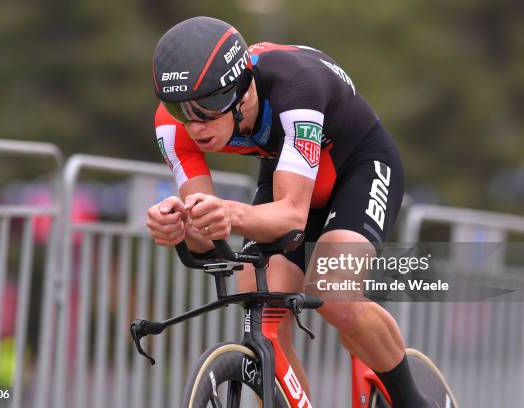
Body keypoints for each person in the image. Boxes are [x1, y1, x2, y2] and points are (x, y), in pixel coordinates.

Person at [146, 16, 437, 408]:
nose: (195, 125)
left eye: (210, 106)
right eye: (181, 109)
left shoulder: (296, 87)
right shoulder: (171, 128)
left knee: (332, 289)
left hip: (359, 165)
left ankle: (414, 402)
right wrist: (179, 225)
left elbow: (291, 217)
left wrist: (228, 213)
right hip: (289, 172)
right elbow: (207, 237)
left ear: (244, 89)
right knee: (258, 292)